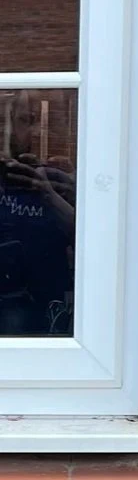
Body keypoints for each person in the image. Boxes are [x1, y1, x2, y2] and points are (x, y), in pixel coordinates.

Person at [0, 88, 76, 335]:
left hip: (54, 313)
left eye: (45, 121)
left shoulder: (61, 178)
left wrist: (51, 195)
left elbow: (90, 243)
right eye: (25, 120)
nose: (35, 131)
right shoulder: (4, 174)